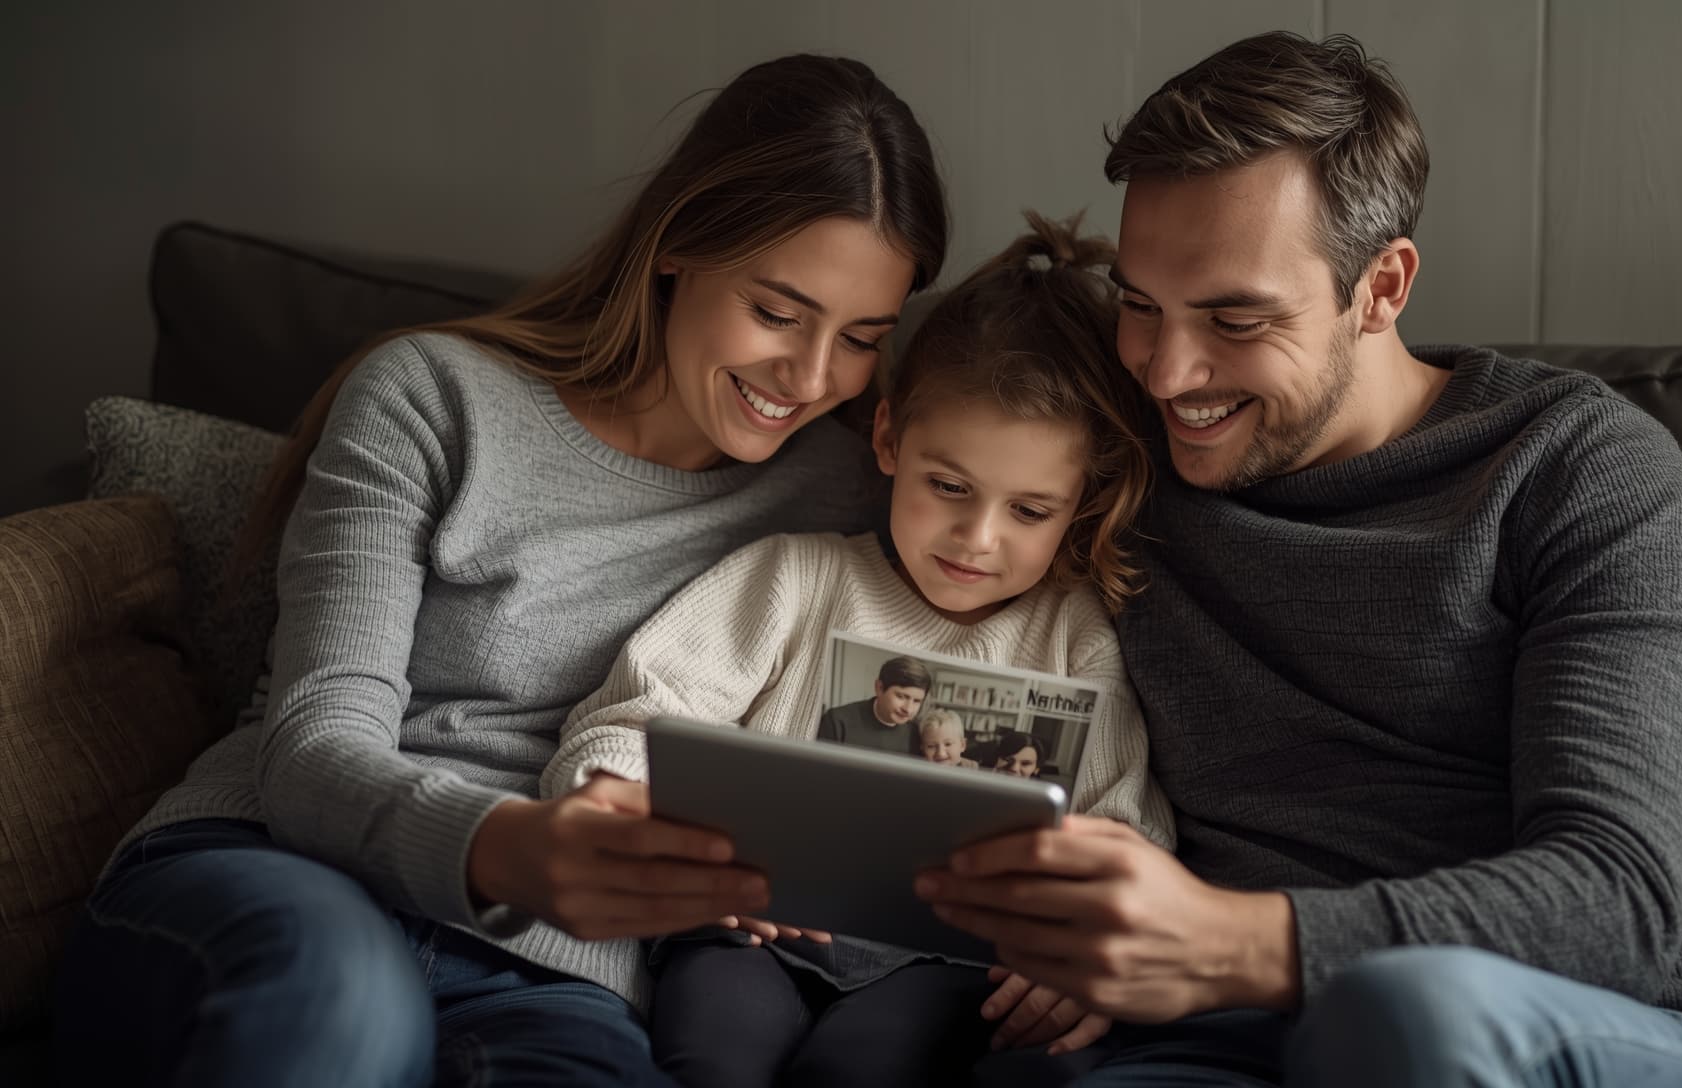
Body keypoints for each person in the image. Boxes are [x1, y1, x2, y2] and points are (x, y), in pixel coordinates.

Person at [918, 31, 1682, 1088]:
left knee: (1404, 1010)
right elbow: (884, 482)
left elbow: (1616, 899)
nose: (1166, 372)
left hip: (1588, 1025)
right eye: (1141, 306)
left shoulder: (1580, 469)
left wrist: (1215, 939)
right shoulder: (1108, 455)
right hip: (1226, 1040)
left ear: (1381, 287)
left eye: (1235, 318)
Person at [51, 54, 948, 1087]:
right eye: (780, 312)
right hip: (280, 873)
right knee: (348, 1009)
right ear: (679, 247)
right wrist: (513, 846)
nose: (809, 376)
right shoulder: (433, 396)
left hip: (558, 970)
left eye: (863, 338)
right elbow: (311, 748)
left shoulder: (861, 495)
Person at [541, 212, 1178, 1088]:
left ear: (1081, 502)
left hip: (941, 967)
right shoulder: (795, 578)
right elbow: (630, 721)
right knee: (713, 1057)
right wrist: (659, 832)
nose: (977, 537)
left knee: (860, 1071)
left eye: (1029, 510)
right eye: (947, 486)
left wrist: (1082, 951)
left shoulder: (1069, 635)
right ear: (887, 441)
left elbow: (1125, 829)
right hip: (753, 931)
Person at [817, 653, 932, 754]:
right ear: (879, 688)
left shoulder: (917, 734)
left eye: (917, 701)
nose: (908, 709)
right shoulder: (836, 721)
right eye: (901, 696)